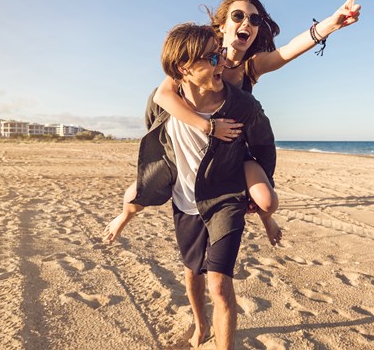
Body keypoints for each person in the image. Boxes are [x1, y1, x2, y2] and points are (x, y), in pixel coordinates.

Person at [108, 0, 365, 247]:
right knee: (140, 192)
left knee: (267, 201)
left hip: (231, 146)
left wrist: (332, 24)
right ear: (222, 25)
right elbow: (162, 96)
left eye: (254, 19)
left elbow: (287, 51)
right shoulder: (196, 58)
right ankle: (122, 219)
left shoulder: (250, 67)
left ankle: (266, 219)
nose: (247, 23)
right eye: (238, 15)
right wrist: (207, 127)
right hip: (188, 142)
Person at [104, 23, 277, 349]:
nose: (221, 63)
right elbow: (155, 134)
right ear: (184, 68)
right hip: (185, 203)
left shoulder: (242, 106)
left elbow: (264, 146)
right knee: (191, 274)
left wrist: (260, 192)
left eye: (220, 54)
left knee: (219, 286)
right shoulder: (163, 103)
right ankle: (200, 326)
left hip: (225, 199)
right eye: (211, 58)